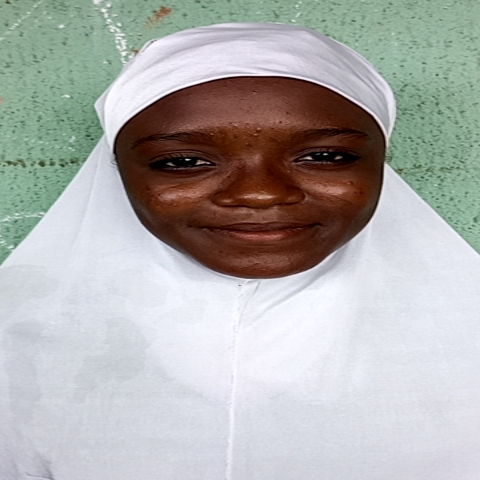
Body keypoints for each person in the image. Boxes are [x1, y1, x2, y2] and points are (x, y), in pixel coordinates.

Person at [0, 22, 479, 479]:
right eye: (184, 161)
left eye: (324, 156)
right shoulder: (18, 352)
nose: (260, 193)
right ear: (116, 171)